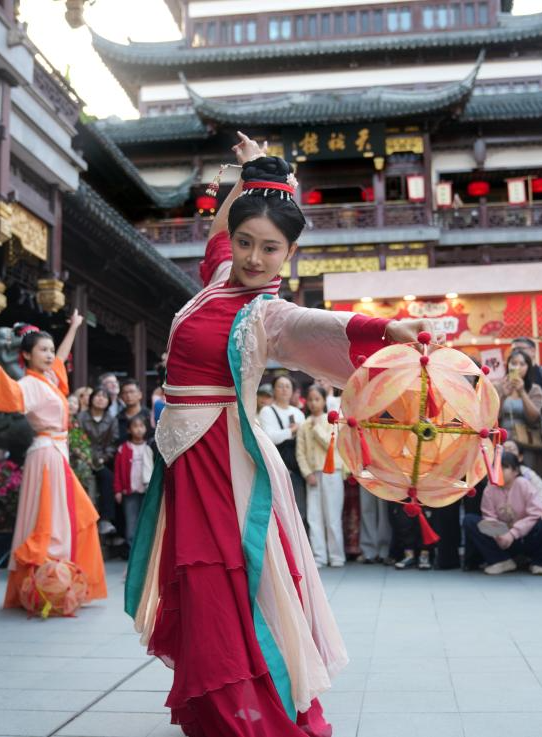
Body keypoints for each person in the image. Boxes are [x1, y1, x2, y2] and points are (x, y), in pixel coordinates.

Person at [124, 136, 426, 737]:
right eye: (245, 243)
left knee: (228, 578)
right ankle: (219, 705)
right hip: (188, 457)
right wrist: (249, 172)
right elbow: (220, 222)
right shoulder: (216, 277)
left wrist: (390, 326)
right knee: (204, 579)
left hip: (224, 460)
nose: (254, 258)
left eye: (270, 249)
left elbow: (329, 325)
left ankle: (251, 711)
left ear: (289, 255)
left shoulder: (266, 313)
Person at [0, 312, 107, 610]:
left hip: (55, 453)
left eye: (50, 350)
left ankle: (59, 580)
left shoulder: (49, 379)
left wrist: (74, 328)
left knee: (71, 516)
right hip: (46, 454)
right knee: (51, 520)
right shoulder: (29, 385)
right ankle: (46, 584)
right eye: (42, 350)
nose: (49, 355)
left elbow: (61, 358)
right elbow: (11, 394)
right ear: (26, 355)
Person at [463, 453, 542, 575]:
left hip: (525, 536)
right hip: (502, 539)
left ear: (515, 471)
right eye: (496, 467)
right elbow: (489, 516)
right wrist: (499, 534)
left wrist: (513, 533)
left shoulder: (523, 484)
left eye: (504, 467)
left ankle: (539, 563)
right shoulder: (490, 487)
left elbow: (534, 514)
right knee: (470, 520)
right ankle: (501, 561)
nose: (499, 471)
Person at [296, 385, 345, 568]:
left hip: (332, 472)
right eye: (310, 400)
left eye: (317, 399)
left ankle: (337, 556)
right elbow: (300, 453)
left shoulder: (331, 421)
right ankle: (319, 557)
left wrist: (317, 429)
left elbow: (331, 446)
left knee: (332, 516)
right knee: (314, 517)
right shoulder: (304, 425)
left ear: (324, 401)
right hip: (313, 475)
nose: (313, 403)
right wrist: (307, 473)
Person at [259, 374, 307, 519]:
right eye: (280, 386)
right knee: (280, 510)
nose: (284, 390)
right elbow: (270, 437)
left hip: (297, 467)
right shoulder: (267, 411)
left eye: (287, 386)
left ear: (293, 391)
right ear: (274, 389)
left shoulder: (298, 413)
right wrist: (291, 430)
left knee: (299, 508)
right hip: (276, 465)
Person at [497, 349, 542, 476]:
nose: (517, 367)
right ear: (508, 365)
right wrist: (503, 395)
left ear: (528, 367)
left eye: (522, 364)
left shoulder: (534, 389)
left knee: (527, 477)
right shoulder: (499, 386)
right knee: (503, 475)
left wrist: (522, 392)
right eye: (514, 363)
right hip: (503, 441)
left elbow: (535, 418)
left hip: (526, 443)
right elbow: (492, 417)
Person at [77, 388, 118, 536]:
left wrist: (103, 457)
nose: (100, 399)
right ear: (91, 399)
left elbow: (113, 443)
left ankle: (106, 520)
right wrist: (85, 455)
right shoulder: (81, 417)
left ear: (108, 401)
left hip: (101, 460)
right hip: (82, 458)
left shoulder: (111, 419)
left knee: (108, 477)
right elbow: (77, 438)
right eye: (98, 396)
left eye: (104, 397)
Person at [114, 414, 154, 549]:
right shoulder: (123, 449)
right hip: (129, 491)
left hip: (147, 490)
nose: (138, 429)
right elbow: (118, 471)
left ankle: (147, 549)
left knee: (148, 520)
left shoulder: (150, 446)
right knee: (131, 522)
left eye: (141, 426)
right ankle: (132, 548)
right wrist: (118, 490)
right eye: (135, 426)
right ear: (129, 430)